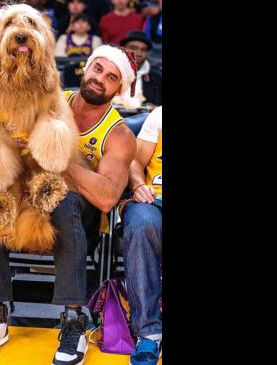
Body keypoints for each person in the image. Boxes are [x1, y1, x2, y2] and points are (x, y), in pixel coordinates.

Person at [0, 44, 138, 365]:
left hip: (79, 217)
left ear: (120, 88)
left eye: (111, 77)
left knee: (63, 199)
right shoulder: (53, 102)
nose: (101, 79)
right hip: (30, 202)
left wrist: (57, 155)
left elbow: (107, 197)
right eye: (98, 69)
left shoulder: (119, 134)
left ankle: (74, 319)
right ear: (86, 67)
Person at [118, 105, 162, 365]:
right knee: (140, 223)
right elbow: (135, 161)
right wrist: (138, 184)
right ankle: (149, 331)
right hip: (153, 200)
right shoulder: (158, 116)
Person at [113, 30, 156, 109]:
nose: (139, 53)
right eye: (133, 48)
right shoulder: (110, 71)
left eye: (143, 49)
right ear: (123, 49)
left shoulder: (157, 78)